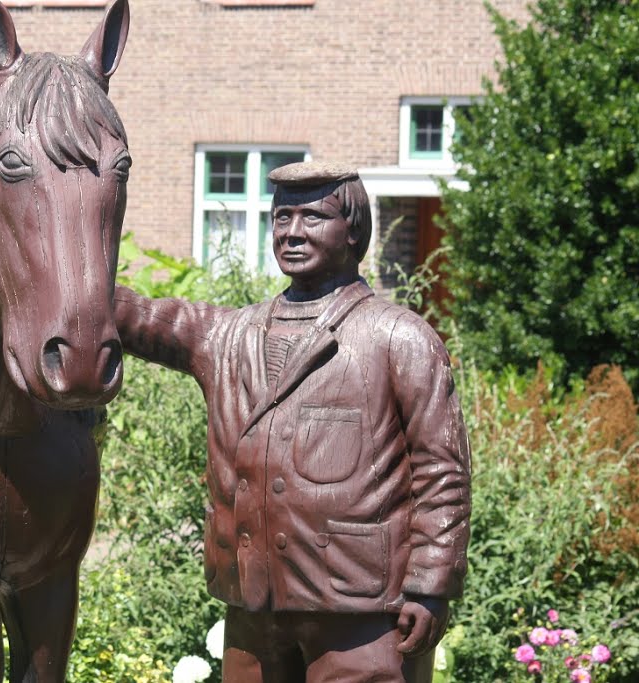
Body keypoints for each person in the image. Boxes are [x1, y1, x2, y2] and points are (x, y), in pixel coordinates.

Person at [114, 162, 471, 682]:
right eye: (281, 217)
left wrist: (430, 584)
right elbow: (139, 318)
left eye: (312, 217)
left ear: (353, 230)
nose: (292, 232)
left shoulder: (399, 337)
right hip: (253, 606)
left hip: (362, 609)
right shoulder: (228, 336)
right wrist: (57, 266)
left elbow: (443, 472)